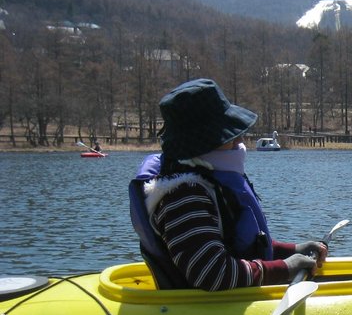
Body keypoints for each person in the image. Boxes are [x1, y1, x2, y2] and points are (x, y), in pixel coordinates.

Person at [129, 78, 326, 290]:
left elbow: (238, 245)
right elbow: (213, 274)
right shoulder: (184, 197)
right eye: (230, 136)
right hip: (203, 312)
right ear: (203, 144)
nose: (239, 142)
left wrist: (292, 250)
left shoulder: (207, 185)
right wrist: (284, 269)